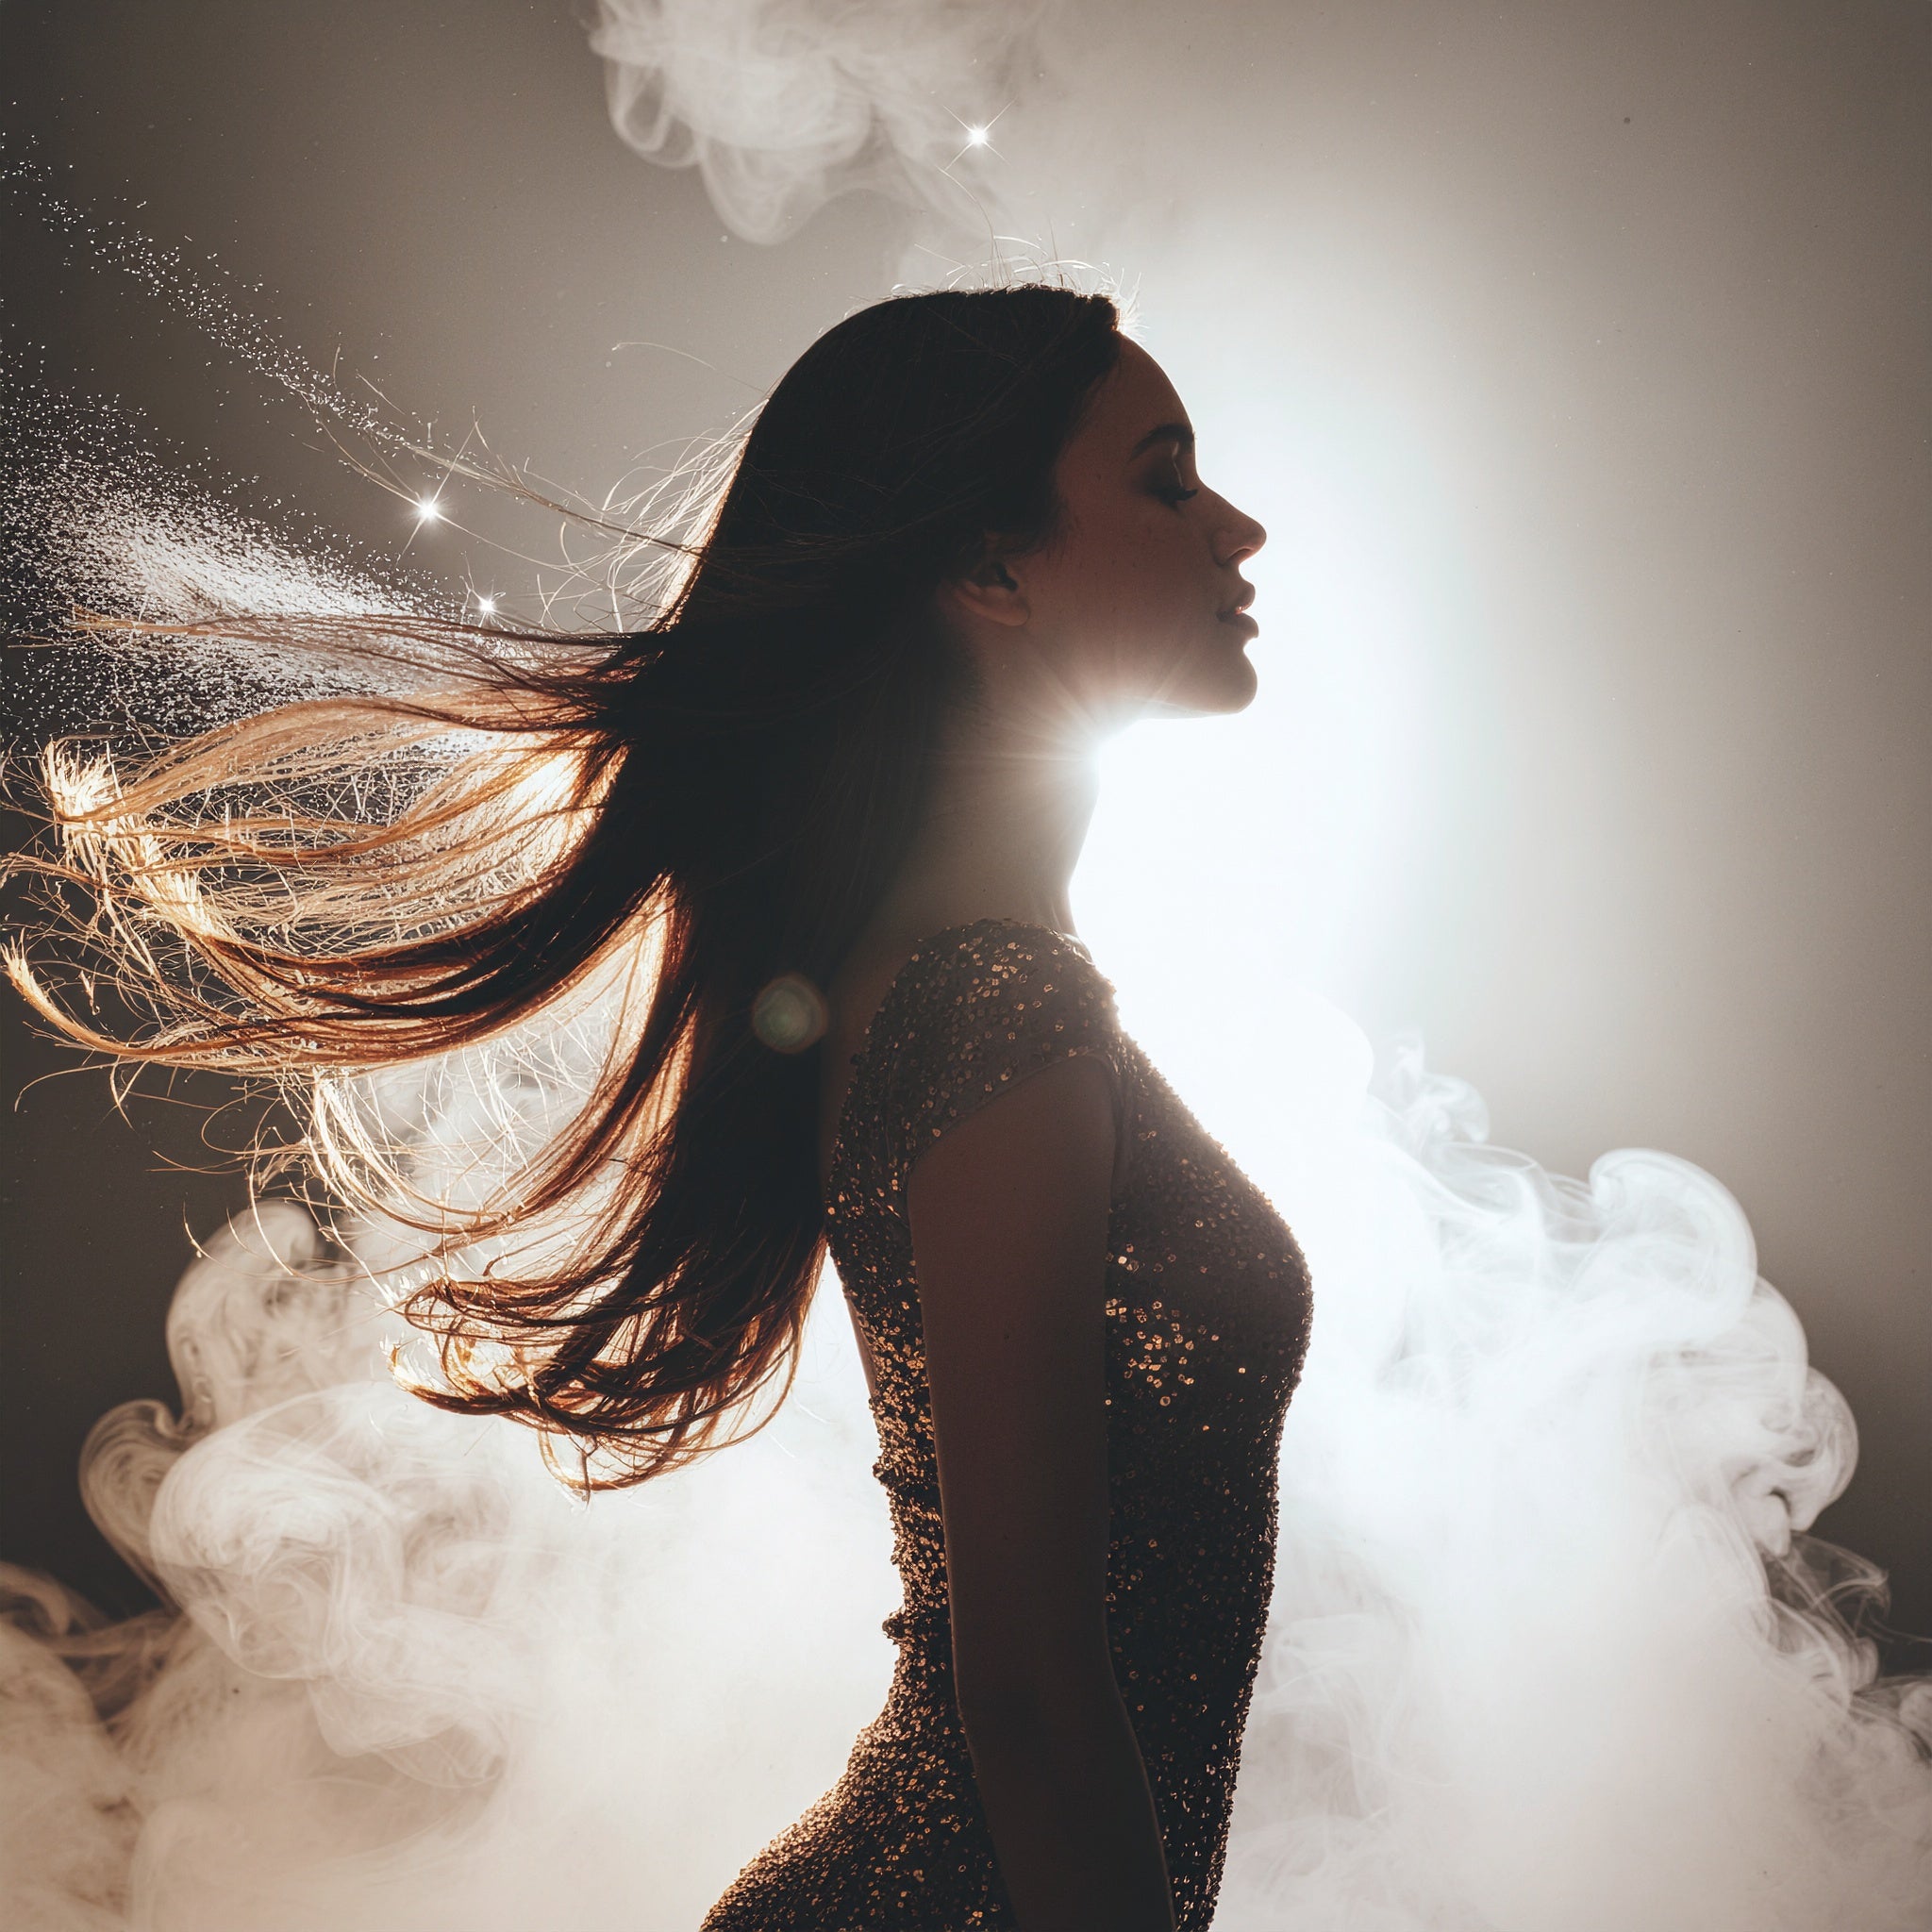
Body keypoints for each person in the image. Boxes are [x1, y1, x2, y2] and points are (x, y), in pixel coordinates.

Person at [8, 283, 1309, 1929]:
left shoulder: (962, 984)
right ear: (991, 570)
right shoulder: (996, 1011)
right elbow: (1034, 1705)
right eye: (1167, 479)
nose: (1239, 528)